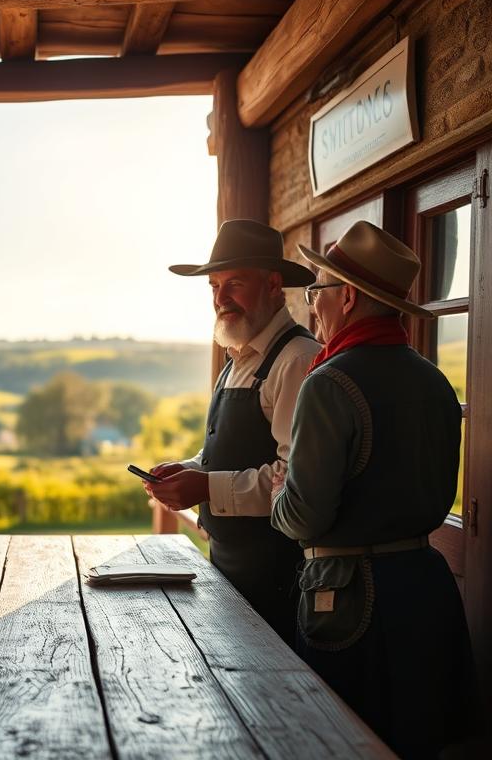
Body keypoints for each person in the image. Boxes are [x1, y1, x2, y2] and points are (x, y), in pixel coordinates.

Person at [271, 220, 478, 758]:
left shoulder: (327, 383)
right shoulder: (434, 381)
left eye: (317, 291)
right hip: (426, 593)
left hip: (349, 603)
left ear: (349, 296)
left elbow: (304, 516)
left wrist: (278, 494)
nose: (312, 305)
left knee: (341, 744)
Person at [144, 219, 320, 644]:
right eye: (214, 287)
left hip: (275, 579)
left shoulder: (296, 360)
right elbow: (231, 455)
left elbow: (290, 481)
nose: (221, 298)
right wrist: (185, 469)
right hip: (228, 569)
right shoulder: (236, 360)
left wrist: (205, 487)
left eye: (234, 283)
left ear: (274, 285)